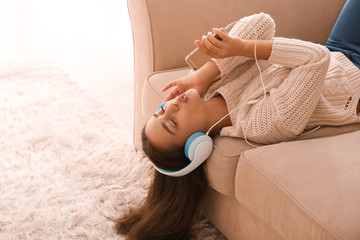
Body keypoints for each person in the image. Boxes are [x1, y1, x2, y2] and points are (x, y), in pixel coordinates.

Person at [115, 1, 360, 239]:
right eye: (173, 123)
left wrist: (203, 75)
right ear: (195, 144)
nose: (172, 107)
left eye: (162, 110)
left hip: (339, 47)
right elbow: (315, 58)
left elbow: (262, 23)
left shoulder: (210, 85)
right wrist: (241, 48)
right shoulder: (261, 124)